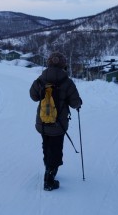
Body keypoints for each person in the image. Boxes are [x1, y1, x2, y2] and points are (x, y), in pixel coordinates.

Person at [29, 52, 82, 191]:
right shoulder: (67, 82)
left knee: (46, 145)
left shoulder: (41, 79)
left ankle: (48, 166)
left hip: (42, 123)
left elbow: (33, 96)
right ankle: (49, 179)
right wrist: (79, 103)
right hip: (59, 125)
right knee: (56, 149)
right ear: (63, 64)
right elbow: (75, 103)